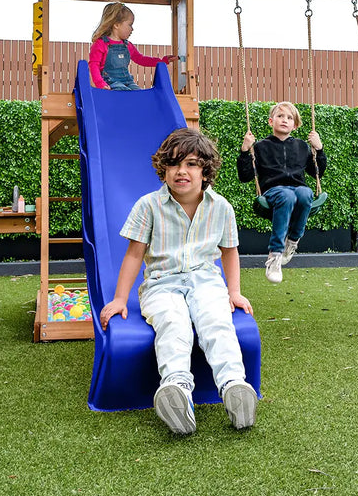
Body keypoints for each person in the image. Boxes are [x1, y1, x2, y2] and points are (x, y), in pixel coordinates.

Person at [100, 128, 257, 435]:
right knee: (173, 324)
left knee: (216, 321)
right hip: (162, 284)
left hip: (206, 282)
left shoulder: (221, 207)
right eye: (173, 164)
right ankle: (178, 390)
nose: (181, 171)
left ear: (206, 170)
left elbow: (230, 252)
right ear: (164, 169)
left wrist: (234, 292)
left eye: (192, 164)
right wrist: (120, 299)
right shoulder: (148, 205)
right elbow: (134, 255)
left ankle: (234, 386)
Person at [237, 101, 326, 284]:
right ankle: (275, 254)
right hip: (273, 191)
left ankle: (292, 241)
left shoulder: (301, 146)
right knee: (287, 195)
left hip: (297, 189)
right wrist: (245, 150)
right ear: (271, 121)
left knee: (305, 193)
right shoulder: (261, 147)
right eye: (280, 116)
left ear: (295, 124)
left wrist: (319, 149)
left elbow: (318, 171)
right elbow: (245, 176)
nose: (284, 120)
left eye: (289, 118)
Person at [88, 2, 177, 90]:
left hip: (127, 81)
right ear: (116, 25)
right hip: (110, 83)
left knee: (139, 93)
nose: (132, 29)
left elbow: (141, 59)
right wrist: (100, 84)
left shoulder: (127, 45)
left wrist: (162, 61)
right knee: (123, 91)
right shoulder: (101, 44)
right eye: (130, 25)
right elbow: (94, 65)